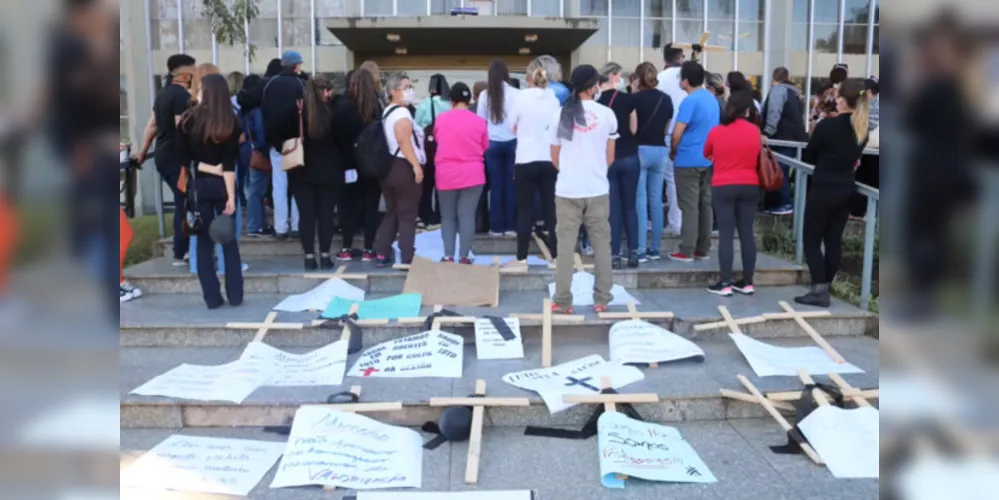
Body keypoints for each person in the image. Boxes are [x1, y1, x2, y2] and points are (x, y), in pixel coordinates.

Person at [548, 65, 618, 314]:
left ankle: (563, 301)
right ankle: (602, 300)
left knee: (565, 247)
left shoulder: (559, 114)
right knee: (601, 245)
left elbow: (554, 157)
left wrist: (570, 171)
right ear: (593, 86)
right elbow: (610, 157)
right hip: (598, 188)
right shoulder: (607, 114)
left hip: (567, 190)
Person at [795, 79, 870, 308]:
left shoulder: (828, 126)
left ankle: (819, 289)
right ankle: (825, 285)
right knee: (833, 240)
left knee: (811, 240)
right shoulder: (862, 128)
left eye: (837, 95)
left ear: (841, 99)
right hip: (846, 188)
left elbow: (809, 156)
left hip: (823, 188)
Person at [176, 74, 244, 309]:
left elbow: (183, 159)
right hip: (224, 187)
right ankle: (235, 296)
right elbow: (229, 164)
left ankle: (212, 299)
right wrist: (232, 197)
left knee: (204, 243)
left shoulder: (188, 119)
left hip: (200, 188)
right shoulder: (231, 121)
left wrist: (204, 166)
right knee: (229, 242)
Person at [238, 50, 307, 240]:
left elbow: (243, 98)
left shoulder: (268, 84)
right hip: (296, 142)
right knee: (297, 186)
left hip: (275, 144)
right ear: (297, 65)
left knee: (279, 184)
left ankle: (280, 227)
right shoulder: (301, 84)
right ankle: (296, 225)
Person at [140, 54, 196, 266]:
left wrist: (143, 152)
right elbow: (183, 129)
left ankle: (184, 250)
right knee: (185, 202)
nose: (194, 76)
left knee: (185, 200)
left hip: (164, 156)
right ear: (183, 74)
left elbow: (153, 125)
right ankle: (182, 251)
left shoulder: (162, 94)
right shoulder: (181, 96)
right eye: (192, 72)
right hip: (177, 158)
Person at [703, 90, 760, 296]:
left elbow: (706, 152)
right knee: (747, 233)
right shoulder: (754, 131)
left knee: (726, 234)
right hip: (750, 184)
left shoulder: (717, 131)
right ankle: (747, 281)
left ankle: (725, 282)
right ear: (747, 111)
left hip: (723, 185)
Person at [507, 57, 562, 268]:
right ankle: (556, 257)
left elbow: (511, 125)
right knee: (551, 209)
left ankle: (522, 258)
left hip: (525, 158)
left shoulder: (520, 97)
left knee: (525, 210)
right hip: (549, 158)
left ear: (529, 78)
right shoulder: (553, 98)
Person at [290, 75, 342, 271]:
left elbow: (279, 134)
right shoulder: (333, 113)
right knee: (326, 214)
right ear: (324, 91)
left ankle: (309, 257)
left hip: (301, 170)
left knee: (306, 215)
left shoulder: (296, 112)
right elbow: (341, 141)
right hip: (329, 170)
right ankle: (326, 255)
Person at [433, 82, 489, 263]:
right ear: (470, 100)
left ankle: (448, 255)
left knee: (448, 217)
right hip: (473, 174)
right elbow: (485, 146)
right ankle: (464, 256)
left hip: (446, 174)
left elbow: (438, 139)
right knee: (467, 216)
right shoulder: (480, 122)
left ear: (451, 101)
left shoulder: (441, 119)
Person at [669, 61, 719, 262]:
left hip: (688, 159)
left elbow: (677, 132)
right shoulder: (711, 99)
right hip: (708, 159)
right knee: (705, 204)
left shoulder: (689, 101)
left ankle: (686, 249)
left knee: (689, 206)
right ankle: (703, 248)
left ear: (686, 81)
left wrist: (674, 150)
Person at [374, 75, 425, 268]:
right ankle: (407, 255)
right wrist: (416, 165)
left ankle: (382, 252)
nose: (410, 89)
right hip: (403, 166)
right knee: (407, 213)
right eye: (406, 86)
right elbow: (404, 140)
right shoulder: (402, 114)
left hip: (389, 167)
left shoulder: (388, 111)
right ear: (394, 91)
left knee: (392, 211)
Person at [333, 69, 383, 262]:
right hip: (372, 165)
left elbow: (336, 137)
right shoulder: (377, 108)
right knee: (371, 206)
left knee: (348, 206)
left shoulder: (343, 108)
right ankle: (368, 249)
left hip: (348, 165)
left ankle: (346, 246)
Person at [597, 63, 640, 269]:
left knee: (613, 207)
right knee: (630, 206)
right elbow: (633, 129)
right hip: (630, 156)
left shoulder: (597, 103)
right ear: (614, 77)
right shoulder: (628, 100)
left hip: (607, 158)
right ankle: (633, 253)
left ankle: (614, 254)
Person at [632, 62, 675, 262]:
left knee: (640, 200)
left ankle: (640, 249)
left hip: (640, 149)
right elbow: (666, 129)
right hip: (660, 150)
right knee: (656, 200)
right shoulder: (666, 100)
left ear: (638, 78)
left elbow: (632, 128)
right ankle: (655, 248)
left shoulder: (635, 99)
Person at [477, 60, 519, 236]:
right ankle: (510, 227)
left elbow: (480, 122)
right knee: (510, 185)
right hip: (512, 142)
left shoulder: (485, 95)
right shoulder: (516, 94)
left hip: (492, 144)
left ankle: (496, 227)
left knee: (495, 186)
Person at [761, 66, 808, 216]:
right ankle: (782, 203)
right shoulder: (795, 93)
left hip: (781, 138)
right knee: (784, 171)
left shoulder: (778, 90)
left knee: (778, 171)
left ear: (774, 79)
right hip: (796, 138)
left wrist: (767, 132)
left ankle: (783, 203)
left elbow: (774, 112)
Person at [655, 43, 687, 237]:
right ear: (681, 57)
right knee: (680, 180)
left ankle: (661, 221)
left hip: (665, 132)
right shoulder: (689, 77)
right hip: (687, 132)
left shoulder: (660, 78)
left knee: (662, 179)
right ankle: (678, 222)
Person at [240, 75, 274, 237]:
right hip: (258, 153)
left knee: (254, 189)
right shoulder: (258, 110)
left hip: (245, 151)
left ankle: (260, 224)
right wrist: (265, 149)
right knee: (257, 190)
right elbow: (261, 133)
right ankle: (255, 225)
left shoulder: (244, 108)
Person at [415, 74, 450, 227]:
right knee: (442, 185)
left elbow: (416, 124)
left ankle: (425, 215)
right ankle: (440, 215)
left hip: (428, 149)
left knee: (427, 185)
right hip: (445, 148)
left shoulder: (424, 104)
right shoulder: (448, 104)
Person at [852, 77, 880, 218]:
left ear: (869, 91)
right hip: (870, 148)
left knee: (869, 178)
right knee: (865, 177)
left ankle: (862, 211)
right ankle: (860, 210)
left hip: (874, 148)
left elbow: (872, 123)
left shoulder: (876, 102)